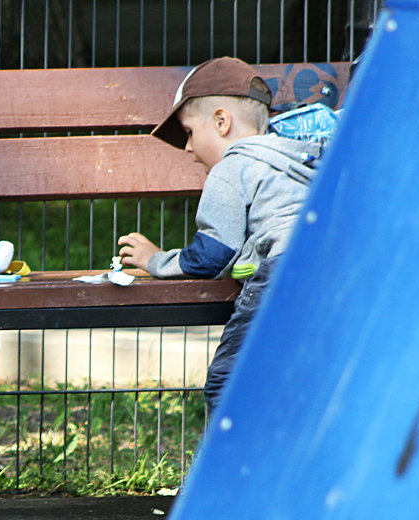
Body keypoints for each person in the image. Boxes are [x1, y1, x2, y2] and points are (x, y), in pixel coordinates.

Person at [117, 57, 324, 412]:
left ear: (221, 121)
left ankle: (233, 465)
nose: (187, 149)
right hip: (335, 266)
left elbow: (212, 254)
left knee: (228, 384)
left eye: (189, 133)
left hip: (284, 273)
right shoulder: (296, 158)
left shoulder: (232, 166)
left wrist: (154, 260)